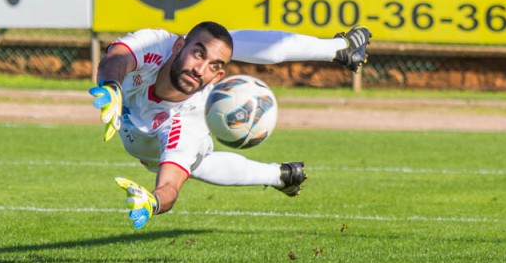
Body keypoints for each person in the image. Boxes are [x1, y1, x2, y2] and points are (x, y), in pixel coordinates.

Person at [90, 22, 371, 229]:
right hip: (130, 97)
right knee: (217, 40)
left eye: (214, 67)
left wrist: (153, 203)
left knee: (195, 163)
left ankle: (278, 175)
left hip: (145, 144)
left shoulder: (188, 125)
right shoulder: (159, 43)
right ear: (177, 47)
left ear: (219, 77)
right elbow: (117, 59)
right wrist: (112, 86)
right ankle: (338, 49)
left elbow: (170, 187)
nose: (200, 69)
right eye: (197, 55)